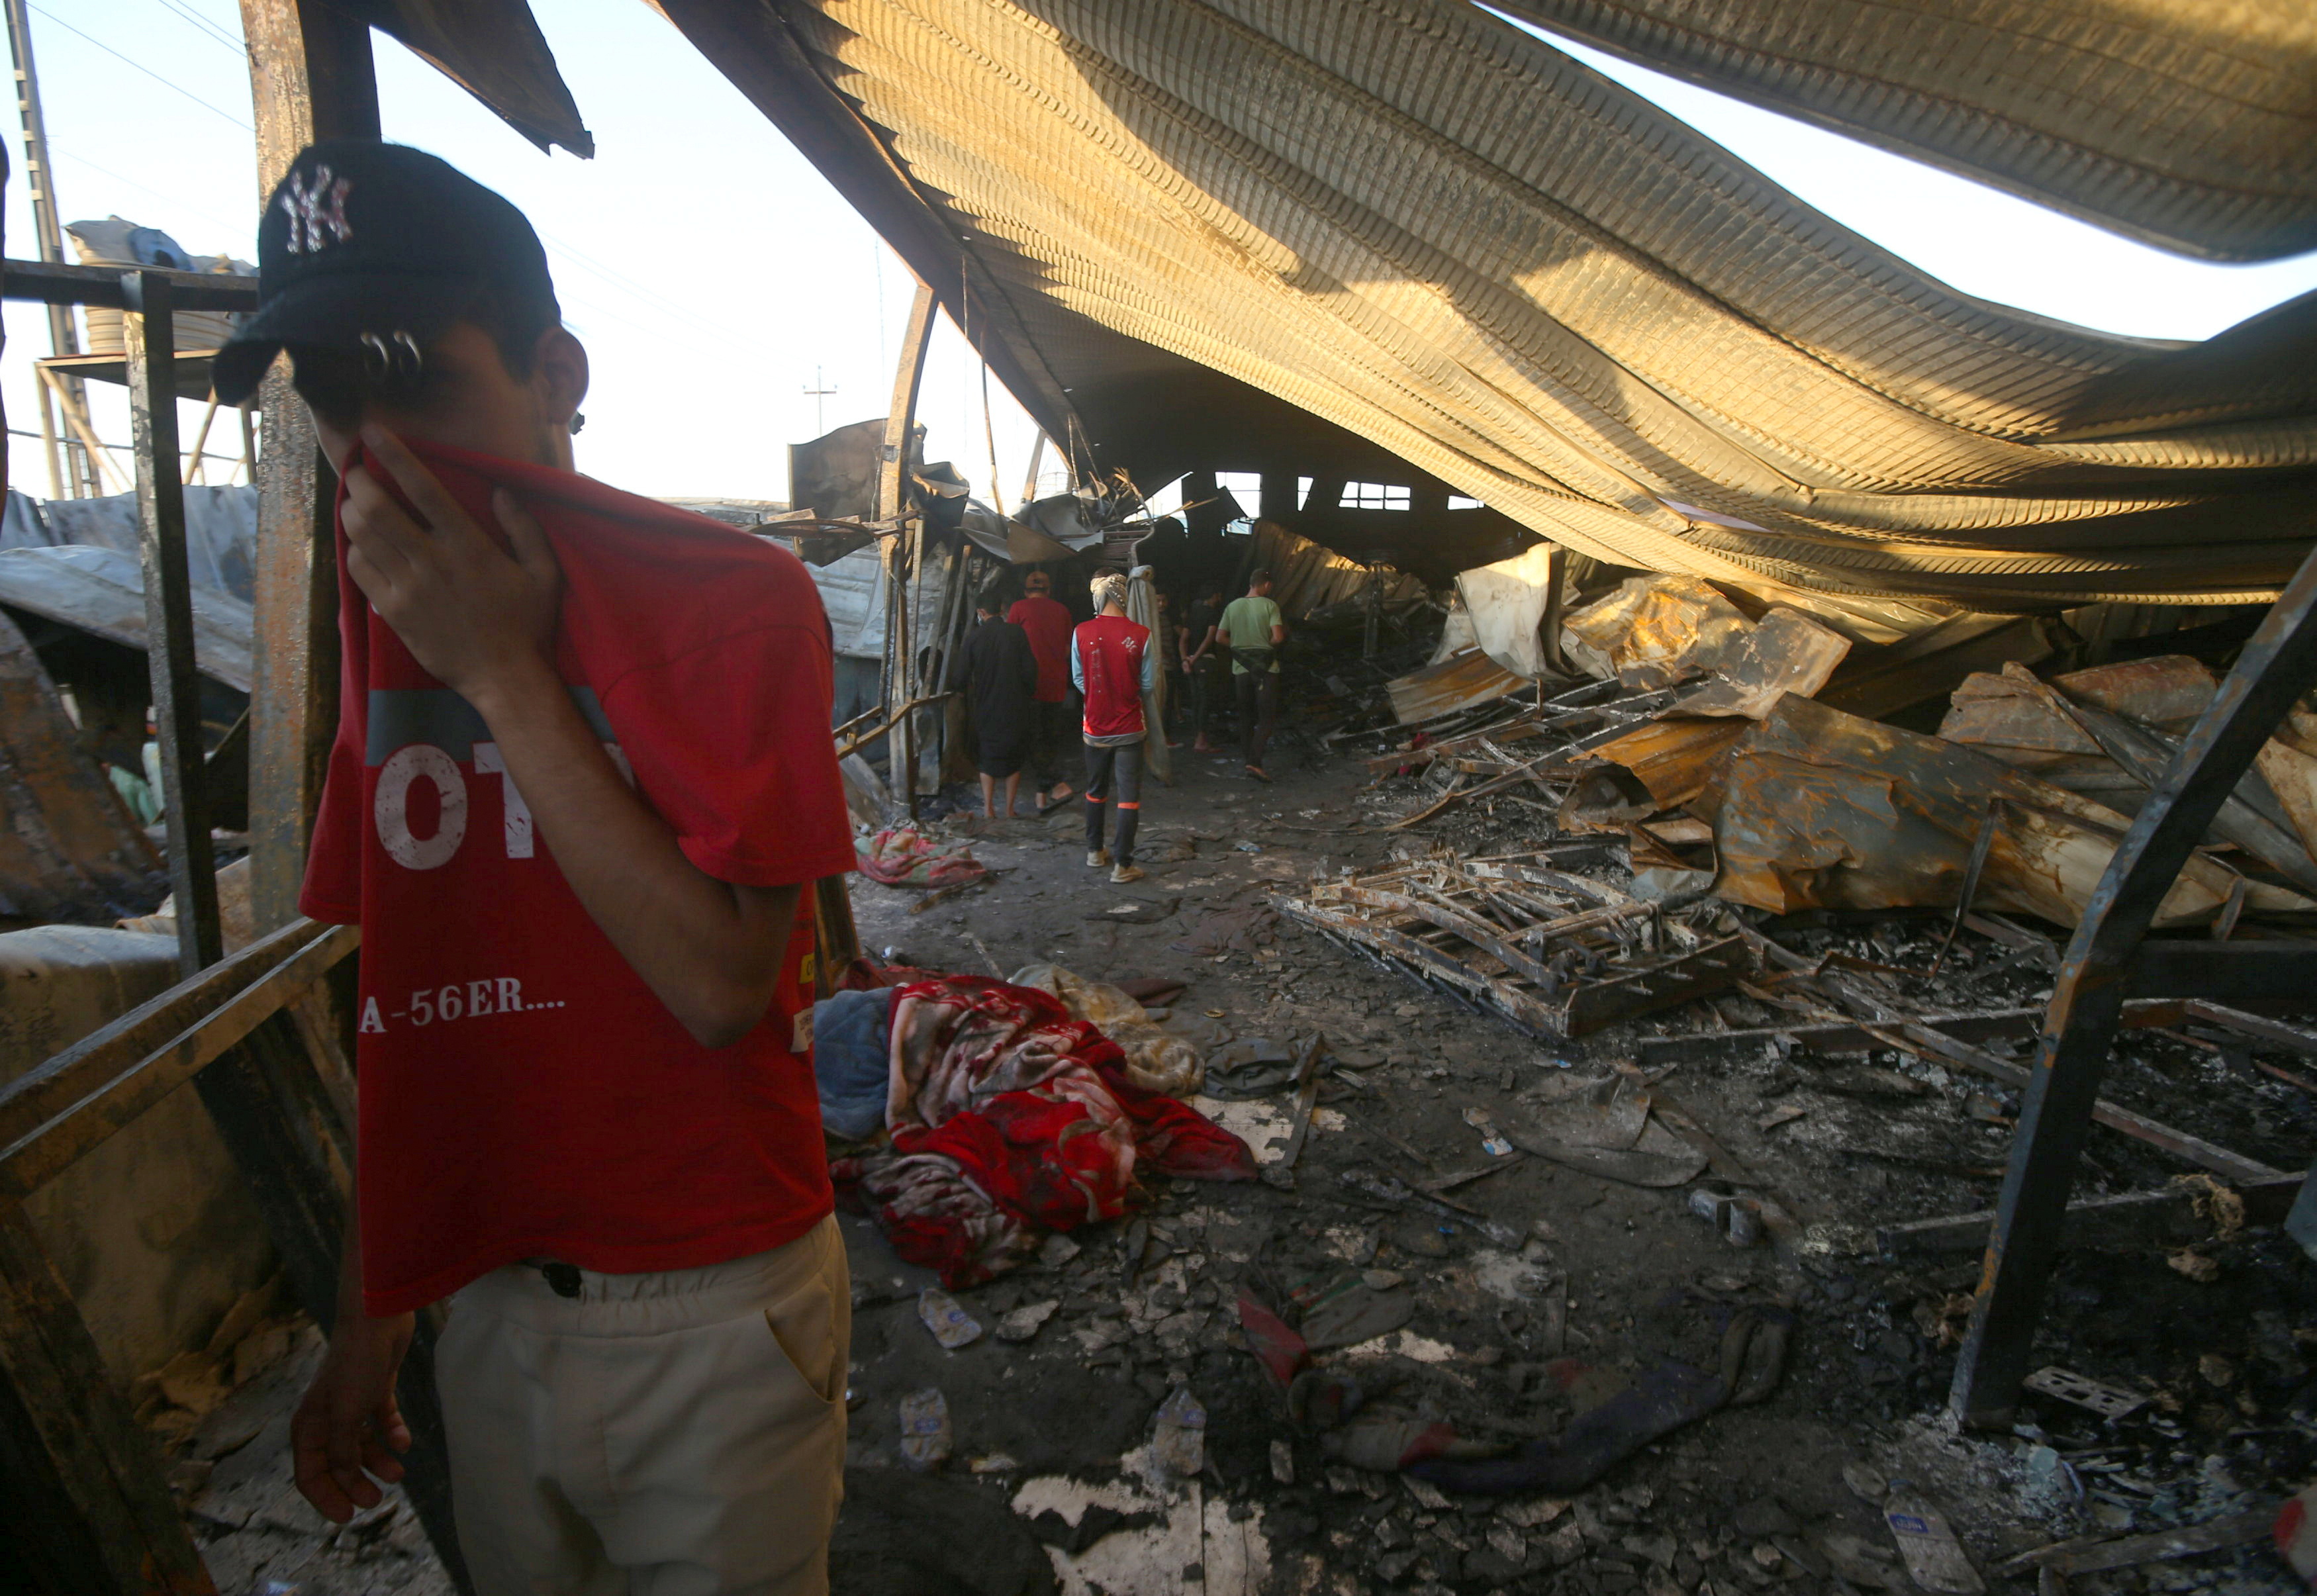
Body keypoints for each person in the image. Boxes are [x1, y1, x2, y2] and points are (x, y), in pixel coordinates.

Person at [211, 142, 857, 1596]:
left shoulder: (732, 600)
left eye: (416, 379)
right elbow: (411, 999)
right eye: (332, 392)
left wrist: (502, 672)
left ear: (556, 374)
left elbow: (720, 983)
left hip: (712, 1298)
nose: (378, 447)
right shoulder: (383, 621)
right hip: (491, 1299)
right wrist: (374, 1310)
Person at [1072, 571, 1157, 884]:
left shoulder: (1081, 631)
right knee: (1128, 797)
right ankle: (1123, 865)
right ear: (1124, 598)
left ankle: (1095, 852)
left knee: (1095, 791)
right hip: (1130, 726)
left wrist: (1100, 695)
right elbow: (1148, 684)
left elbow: (1078, 679)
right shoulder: (1142, 634)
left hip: (1095, 727)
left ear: (1099, 598)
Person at [960, 584, 1039, 817]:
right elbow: (1030, 670)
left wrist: (963, 691)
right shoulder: (1017, 633)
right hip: (1015, 704)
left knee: (988, 756)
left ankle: (988, 808)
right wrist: (1027, 694)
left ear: (981, 612)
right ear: (1002, 610)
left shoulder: (974, 637)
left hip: (986, 705)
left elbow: (960, 675)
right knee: (1013, 757)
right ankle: (1010, 809)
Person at [1006, 568, 1076, 811]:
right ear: (1049, 590)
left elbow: (1011, 645)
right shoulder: (1062, 610)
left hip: (1030, 683)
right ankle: (1043, 795)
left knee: (1033, 737)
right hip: (1056, 682)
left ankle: (1056, 784)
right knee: (1049, 737)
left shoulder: (1018, 608)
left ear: (1026, 591)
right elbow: (1068, 648)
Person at [1219, 567, 1286, 781]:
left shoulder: (1232, 606)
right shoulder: (1270, 605)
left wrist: (1240, 647)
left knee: (1246, 716)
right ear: (1266, 585)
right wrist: (1263, 646)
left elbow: (1220, 638)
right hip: (1266, 669)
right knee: (1266, 717)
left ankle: (1248, 759)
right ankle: (1254, 762)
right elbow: (1278, 637)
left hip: (1241, 669)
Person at [1179, 583, 1225, 752]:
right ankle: (1202, 741)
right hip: (1205, 661)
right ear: (1214, 596)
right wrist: (1196, 658)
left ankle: (1198, 738)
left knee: (1196, 701)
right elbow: (1210, 638)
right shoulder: (1213, 614)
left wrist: (1185, 660)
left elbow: (1183, 639)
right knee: (1205, 700)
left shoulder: (1192, 614)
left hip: (1191, 663)